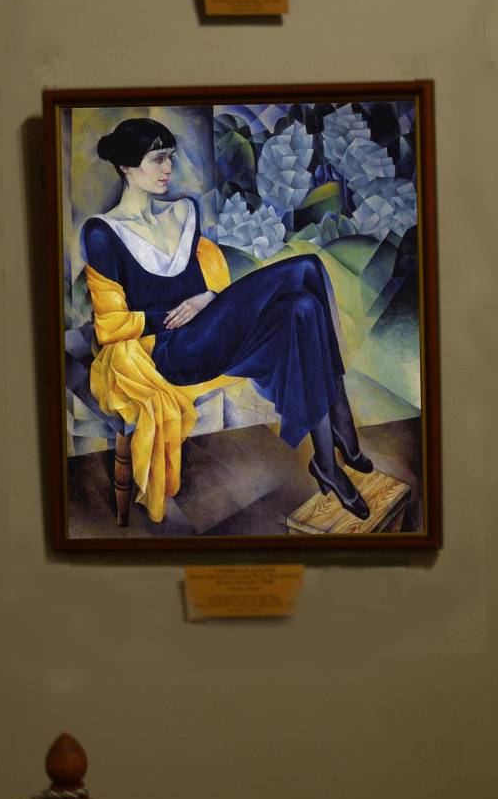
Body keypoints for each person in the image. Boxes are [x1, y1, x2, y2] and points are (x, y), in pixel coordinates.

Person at [81, 117, 375, 523]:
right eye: (157, 159)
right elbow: (109, 326)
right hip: (174, 352)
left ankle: (326, 460)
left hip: (214, 331)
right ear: (126, 168)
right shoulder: (103, 233)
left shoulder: (183, 211)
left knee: (304, 308)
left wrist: (209, 298)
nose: (168, 168)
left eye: (170, 157)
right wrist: (171, 316)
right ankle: (342, 422)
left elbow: (208, 285)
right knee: (306, 267)